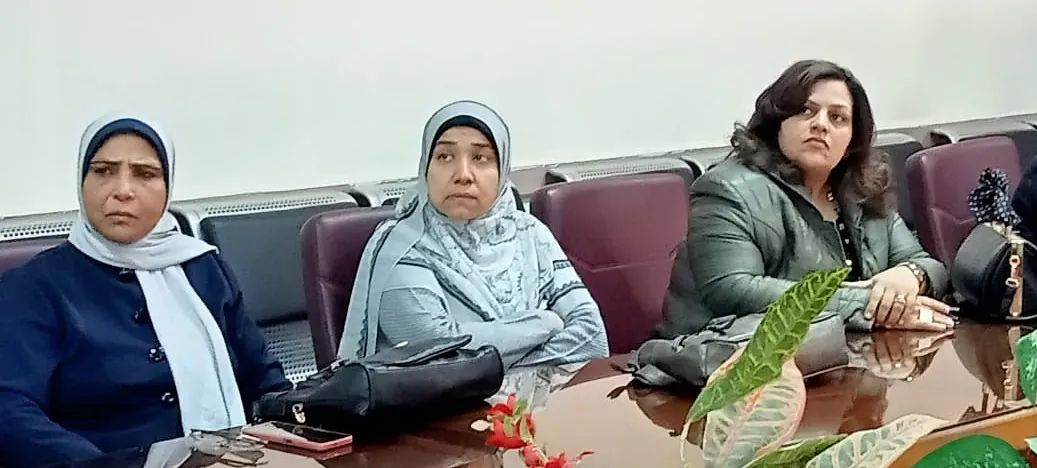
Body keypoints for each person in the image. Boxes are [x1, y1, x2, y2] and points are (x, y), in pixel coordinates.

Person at [0, 115, 291, 468]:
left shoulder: (204, 270)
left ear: (168, 186)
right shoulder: (36, 286)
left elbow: (263, 381)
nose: (122, 190)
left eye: (145, 173)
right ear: (82, 180)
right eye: (103, 171)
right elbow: (11, 411)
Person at [658, 60, 955, 339]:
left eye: (837, 118)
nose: (820, 125)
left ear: (852, 139)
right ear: (777, 121)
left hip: (841, 356)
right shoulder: (726, 188)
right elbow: (734, 290)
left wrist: (910, 276)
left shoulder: (862, 189)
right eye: (805, 111)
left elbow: (928, 265)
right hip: (720, 365)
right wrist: (871, 304)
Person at [337, 100, 609, 368]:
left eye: (481, 158)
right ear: (426, 167)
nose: (463, 175)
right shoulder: (400, 248)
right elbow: (439, 357)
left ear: (502, 171)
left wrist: (497, 365)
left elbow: (592, 338)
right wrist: (545, 323)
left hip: (545, 397)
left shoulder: (530, 233)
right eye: (445, 157)